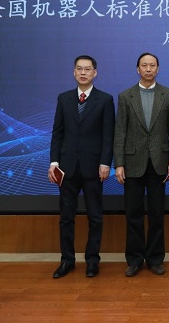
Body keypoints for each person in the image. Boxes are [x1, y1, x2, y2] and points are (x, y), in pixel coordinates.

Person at [48, 55, 115, 279]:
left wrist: (105, 162)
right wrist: (54, 162)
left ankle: (92, 260)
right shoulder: (64, 98)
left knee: (95, 216)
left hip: (94, 167)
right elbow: (57, 132)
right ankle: (66, 260)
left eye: (87, 69)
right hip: (67, 167)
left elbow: (108, 135)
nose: (83, 73)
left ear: (95, 73)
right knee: (66, 217)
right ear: (74, 72)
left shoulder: (105, 100)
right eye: (79, 69)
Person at [114, 52, 169, 277]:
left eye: (152, 65)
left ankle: (155, 259)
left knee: (156, 214)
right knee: (133, 214)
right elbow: (120, 132)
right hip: (132, 162)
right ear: (138, 69)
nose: (148, 69)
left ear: (158, 69)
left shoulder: (167, 94)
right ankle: (134, 260)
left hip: (159, 162)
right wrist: (119, 163)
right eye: (144, 65)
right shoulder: (125, 96)